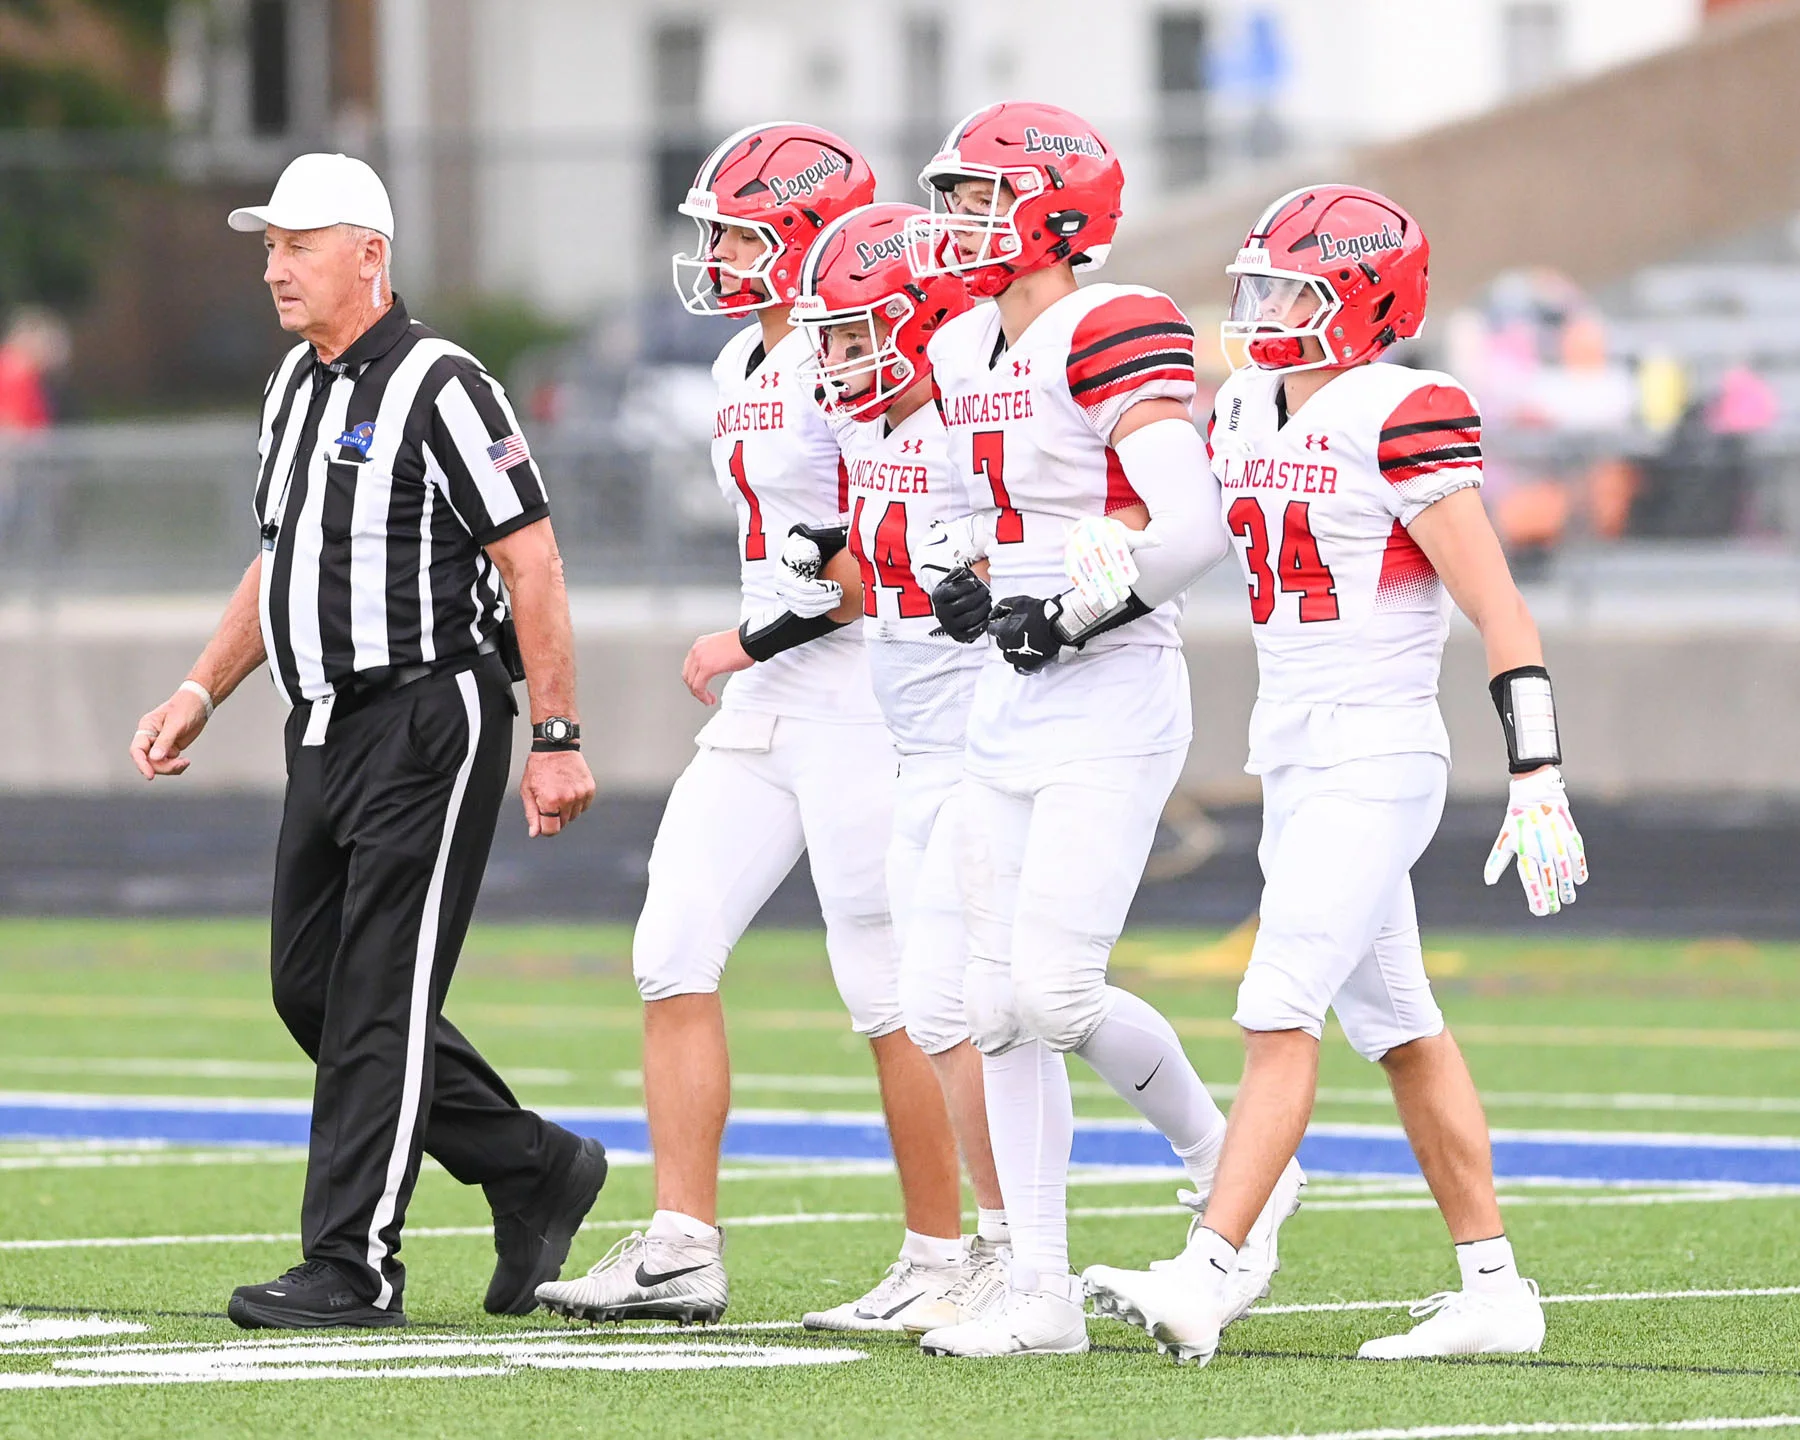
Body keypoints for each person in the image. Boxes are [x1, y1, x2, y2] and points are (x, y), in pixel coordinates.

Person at [1082, 184, 1588, 1365]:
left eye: (1292, 289)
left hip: (1378, 749)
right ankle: (1495, 1290)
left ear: (1362, 302)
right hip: (1297, 755)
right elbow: (1173, 520)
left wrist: (1539, 769)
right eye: (1257, 284)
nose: (1261, 309)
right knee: (1401, 1027)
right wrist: (1105, 540)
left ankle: (1213, 1270)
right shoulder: (1244, 404)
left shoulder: (1402, 409)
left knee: (1276, 1002)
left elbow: (1495, 601)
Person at [128, 152, 604, 1329]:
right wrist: (203, 685)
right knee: (311, 990)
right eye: (271, 247)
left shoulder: (444, 383)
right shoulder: (297, 384)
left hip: (428, 716)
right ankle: (531, 1161)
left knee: (379, 994)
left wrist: (555, 733)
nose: (277, 268)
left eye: (300, 244)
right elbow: (281, 555)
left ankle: (353, 1264)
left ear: (370, 257)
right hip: (323, 722)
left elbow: (529, 558)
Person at [535, 126, 968, 1330]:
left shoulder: (858, 361)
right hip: (774, 698)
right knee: (671, 943)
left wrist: (749, 639)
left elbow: (888, 567)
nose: (715, 254)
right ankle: (682, 1247)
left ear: (799, 229)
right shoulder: (738, 365)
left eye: (734, 230)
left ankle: (947, 1253)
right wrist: (759, 645)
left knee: (886, 987)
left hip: (857, 694)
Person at [908, 102, 1302, 1359]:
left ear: (1056, 210)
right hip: (1004, 691)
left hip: (1113, 685)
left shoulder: (1109, 322)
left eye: (979, 197)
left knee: (1055, 990)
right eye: (953, 196)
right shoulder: (966, 343)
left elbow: (1189, 526)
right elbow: (971, 512)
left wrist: (1072, 613)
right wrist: (963, 574)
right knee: (990, 1003)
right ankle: (1041, 1294)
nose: (956, 221)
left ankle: (1230, 1157)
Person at [742, 199, 1014, 1335]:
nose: (838, 358)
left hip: (986, 742)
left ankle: (1019, 1253)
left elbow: (1061, 536)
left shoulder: (972, 418)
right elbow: (879, 576)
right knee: (942, 1005)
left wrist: (991, 586)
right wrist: (817, 573)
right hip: (918, 746)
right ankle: (977, 1255)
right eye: (834, 336)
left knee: (1015, 1002)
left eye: (857, 334)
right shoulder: (870, 431)